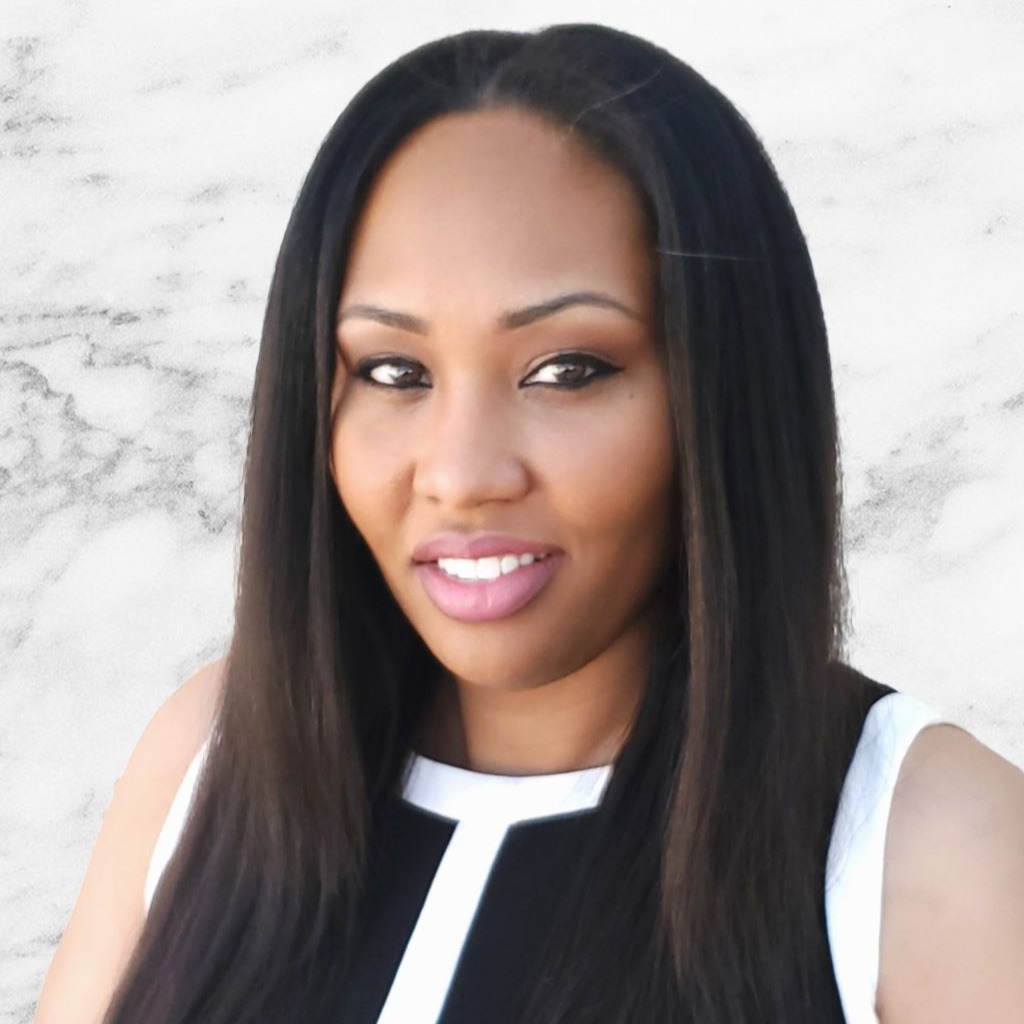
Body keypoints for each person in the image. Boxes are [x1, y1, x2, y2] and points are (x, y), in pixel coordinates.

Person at [34, 23, 1024, 1024]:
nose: (461, 475)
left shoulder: (937, 845)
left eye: (566, 371)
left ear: (723, 389)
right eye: (393, 372)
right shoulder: (211, 757)